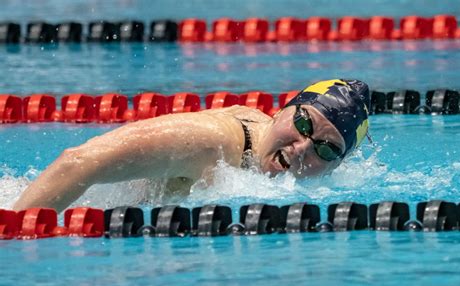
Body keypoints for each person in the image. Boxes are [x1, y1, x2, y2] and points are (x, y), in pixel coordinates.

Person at [13, 79, 370, 212]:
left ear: (338, 164)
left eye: (326, 149)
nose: (302, 148)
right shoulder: (210, 142)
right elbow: (78, 161)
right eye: (303, 123)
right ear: (281, 110)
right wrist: (14, 233)